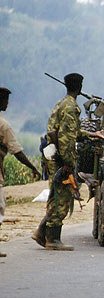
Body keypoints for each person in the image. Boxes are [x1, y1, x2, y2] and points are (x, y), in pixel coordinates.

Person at [32, 73, 104, 251]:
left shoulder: (61, 103)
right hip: (61, 159)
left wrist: (92, 134)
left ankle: (41, 232)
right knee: (62, 197)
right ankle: (53, 239)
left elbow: (70, 131)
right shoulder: (71, 107)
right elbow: (66, 137)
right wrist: (68, 163)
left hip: (53, 156)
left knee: (55, 195)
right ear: (79, 87)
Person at [0, 87, 41, 257]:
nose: (8, 104)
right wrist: (33, 168)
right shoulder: (4, 125)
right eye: (6, 100)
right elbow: (17, 151)